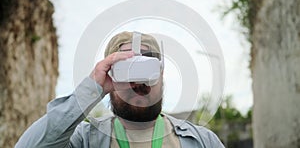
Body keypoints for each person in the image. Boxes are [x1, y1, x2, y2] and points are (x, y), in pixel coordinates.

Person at [16, 31, 224, 148]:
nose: (137, 82)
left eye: (147, 67)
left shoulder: (202, 141)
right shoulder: (85, 140)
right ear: (109, 74)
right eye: (125, 69)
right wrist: (91, 88)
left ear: (161, 74)